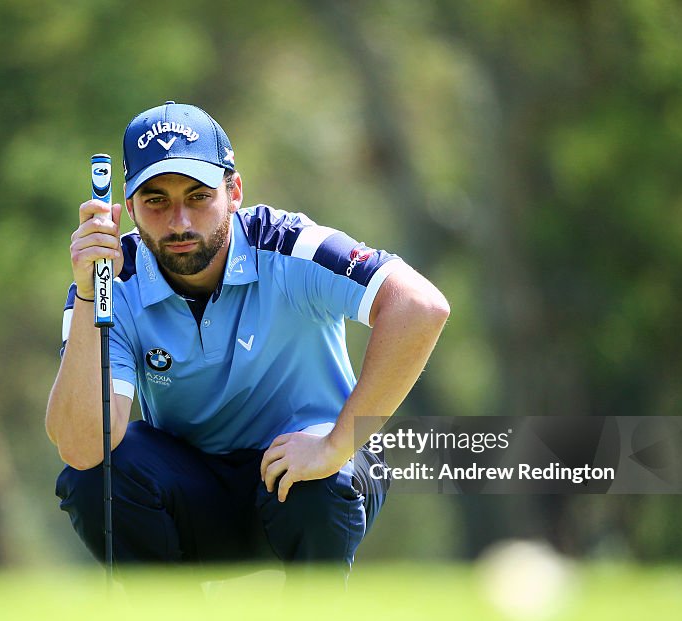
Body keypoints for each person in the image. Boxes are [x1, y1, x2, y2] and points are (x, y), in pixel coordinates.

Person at [45, 101, 449, 579]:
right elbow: (82, 448)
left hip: (313, 477)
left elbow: (420, 306)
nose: (180, 222)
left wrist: (337, 445)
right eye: (156, 201)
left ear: (233, 191)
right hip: (197, 494)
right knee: (100, 478)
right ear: (128, 208)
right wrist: (91, 298)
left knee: (312, 482)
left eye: (198, 196)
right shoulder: (111, 282)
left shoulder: (288, 244)